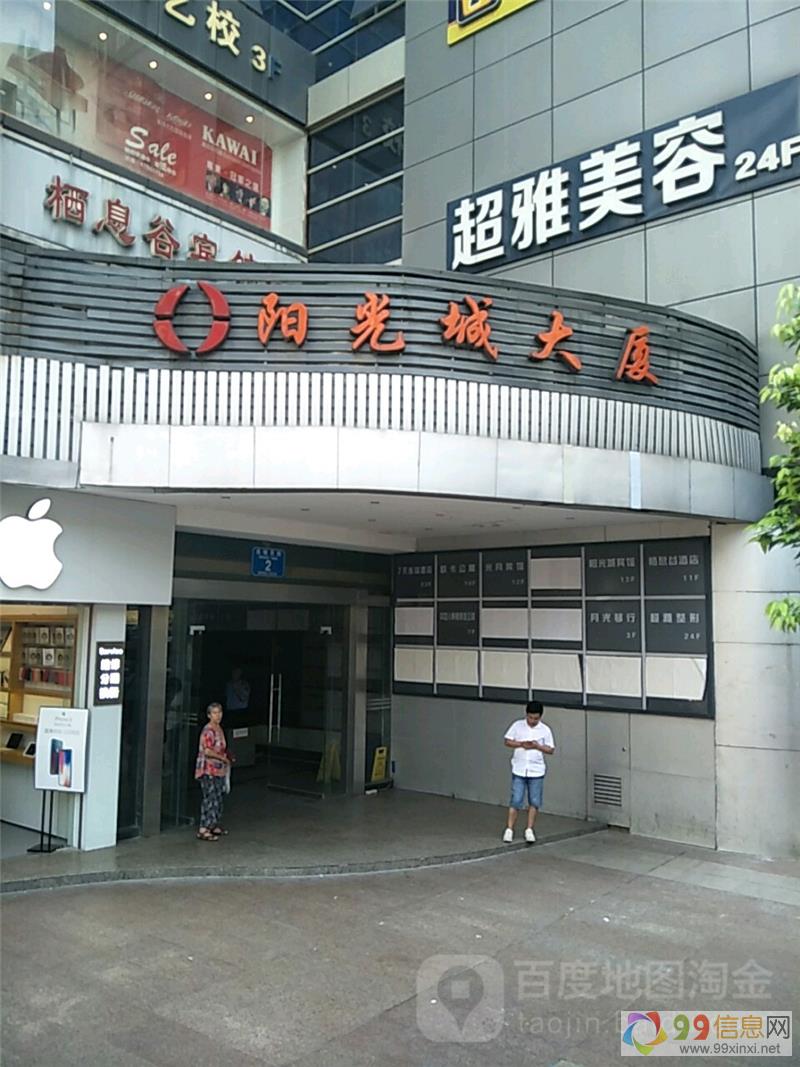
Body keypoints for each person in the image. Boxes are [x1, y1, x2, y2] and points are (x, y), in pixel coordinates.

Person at [502, 700, 555, 844]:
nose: (532, 721)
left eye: (535, 718)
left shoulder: (545, 730)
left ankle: (529, 829)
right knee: (516, 799)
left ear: (540, 717)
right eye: (530, 717)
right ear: (526, 715)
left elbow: (551, 749)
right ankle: (509, 829)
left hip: (536, 770)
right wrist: (521, 744)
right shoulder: (517, 725)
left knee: (535, 801)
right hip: (519, 768)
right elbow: (507, 741)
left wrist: (537, 746)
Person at [194, 702, 231, 841]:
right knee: (209, 798)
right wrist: (222, 758)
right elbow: (207, 751)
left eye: (219, 712)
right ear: (209, 715)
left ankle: (213, 824)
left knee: (218, 798)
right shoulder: (208, 730)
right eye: (215, 713)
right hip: (208, 769)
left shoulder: (218, 728)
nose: (218, 715)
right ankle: (204, 828)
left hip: (219, 769)